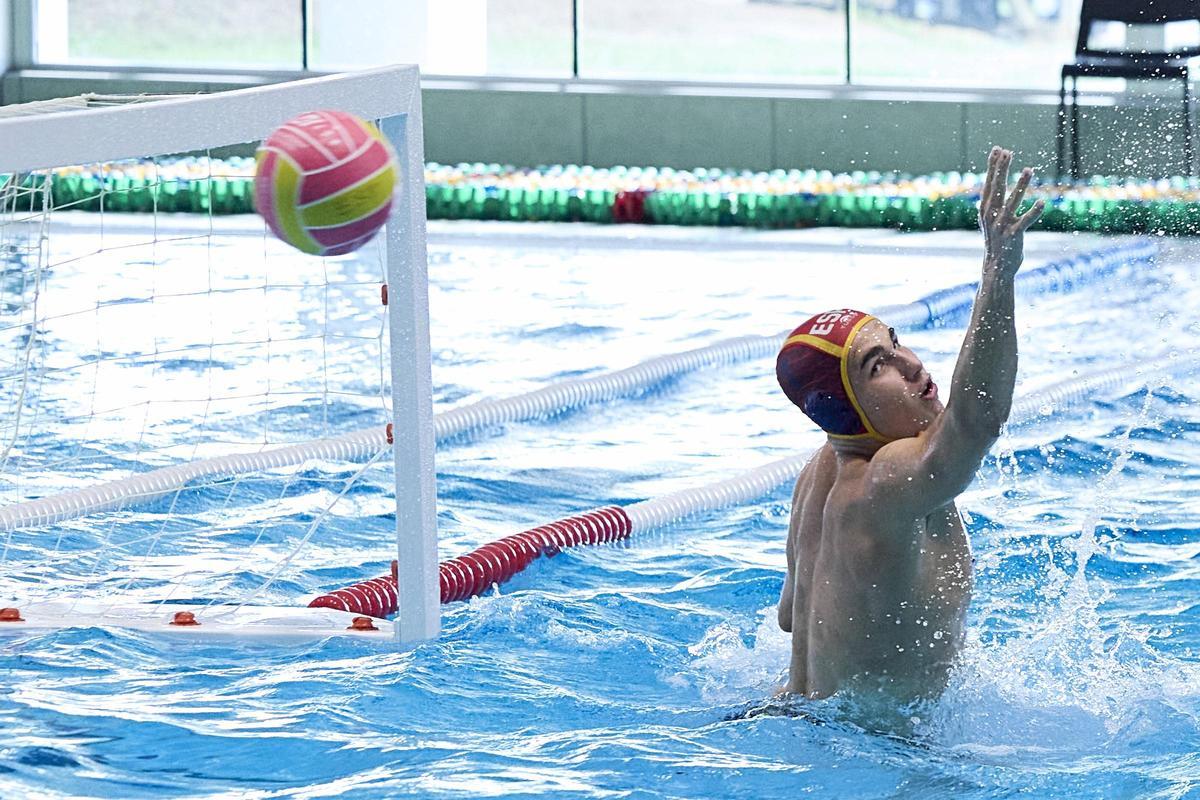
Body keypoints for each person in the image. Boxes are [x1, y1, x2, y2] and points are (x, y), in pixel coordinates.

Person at [775, 147, 1044, 703]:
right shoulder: (880, 485)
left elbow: (787, 616)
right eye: (878, 368)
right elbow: (976, 422)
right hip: (875, 753)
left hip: (792, 715)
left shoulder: (814, 479)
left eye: (895, 343)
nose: (912, 364)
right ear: (846, 411)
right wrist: (999, 273)